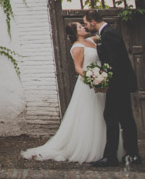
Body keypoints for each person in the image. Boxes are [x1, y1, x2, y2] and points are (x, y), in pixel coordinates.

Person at [21, 22, 122, 163]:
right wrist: (93, 78)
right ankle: (89, 148)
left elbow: (104, 36)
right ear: (75, 33)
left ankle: (108, 149)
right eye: (80, 27)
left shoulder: (90, 40)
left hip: (101, 81)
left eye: (82, 25)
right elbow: (78, 68)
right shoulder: (77, 47)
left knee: (103, 113)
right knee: (89, 114)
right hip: (89, 84)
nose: (83, 27)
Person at [83, 10, 141, 167]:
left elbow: (114, 62)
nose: (86, 26)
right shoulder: (107, 33)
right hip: (119, 82)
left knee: (111, 116)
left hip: (118, 83)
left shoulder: (108, 33)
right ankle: (132, 154)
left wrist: (104, 81)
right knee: (125, 118)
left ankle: (111, 157)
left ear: (93, 21)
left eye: (86, 23)